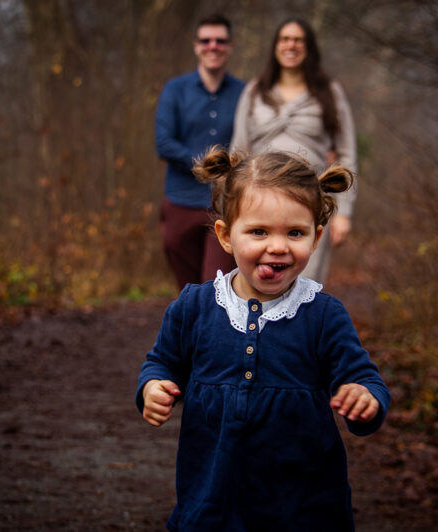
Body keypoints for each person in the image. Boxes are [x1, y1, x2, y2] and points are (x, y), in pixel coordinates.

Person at [136, 146, 390, 531]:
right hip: (213, 503)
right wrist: (152, 387)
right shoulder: (194, 308)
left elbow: (364, 378)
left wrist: (365, 397)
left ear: (316, 237)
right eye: (258, 231)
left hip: (304, 509)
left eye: (295, 232)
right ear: (225, 235)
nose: (278, 246)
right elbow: (161, 362)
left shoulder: (323, 315)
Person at [230, 17, 357, 284]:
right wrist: (229, 204)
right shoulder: (255, 91)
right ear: (275, 46)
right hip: (257, 199)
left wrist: (344, 213)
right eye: (285, 39)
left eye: (298, 40)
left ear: (309, 47)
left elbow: (346, 155)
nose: (291, 45)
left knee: (304, 284)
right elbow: (238, 151)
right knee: (260, 279)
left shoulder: (328, 92)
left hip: (309, 200)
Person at [155, 13, 246, 289]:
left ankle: (214, 331)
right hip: (180, 200)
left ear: (230, 46)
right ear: (196, 46)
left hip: (225, 204)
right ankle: (190, 331)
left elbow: (251, 141)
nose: (213, 46)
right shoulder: (175, 90)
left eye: (220, 40)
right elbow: (165, 143)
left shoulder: (245, 93)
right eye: (206, 40)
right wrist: (208, 167)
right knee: (188, 288)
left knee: (216, 285)